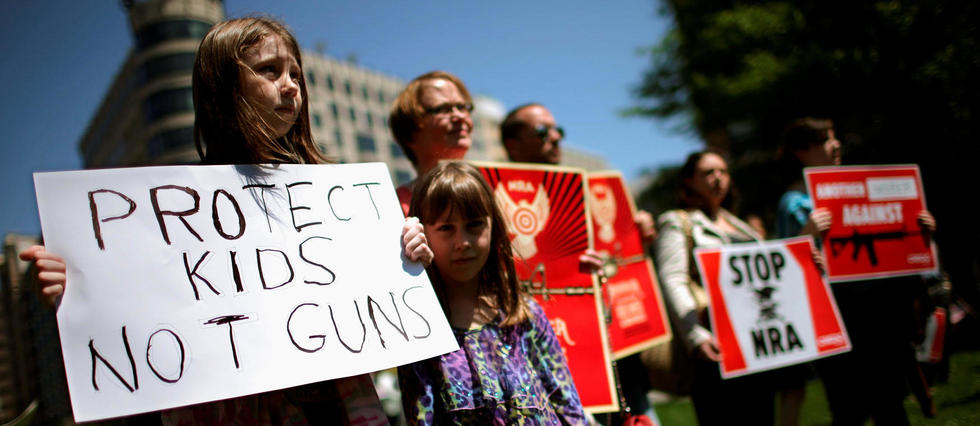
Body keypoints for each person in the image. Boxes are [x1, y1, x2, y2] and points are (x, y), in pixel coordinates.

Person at [20, 16, 433, 425]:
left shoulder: (339, 199)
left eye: (295, 73)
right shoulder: (176, 212)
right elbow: (137, 306)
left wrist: (405, 249)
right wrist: (76, 286)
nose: (290, 85)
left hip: (336, 405)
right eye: (269, 70)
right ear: (223, 85)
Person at [398, 161, 588, 425]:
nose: (462, 242)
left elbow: (569, 407)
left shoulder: (523, 313)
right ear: (423, 233)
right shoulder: (420, 333)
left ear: (494, 228)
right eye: (445, 228)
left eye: (474, 225)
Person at [501, 103, 657, 423]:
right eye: (542, 132)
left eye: (559, 131)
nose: (556, 138)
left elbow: (620, 259)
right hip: (543, 357)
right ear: (512, 145)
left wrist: (637, 234)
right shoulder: (491, 201)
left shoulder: (587, 193)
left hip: (614, 351)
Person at [777, 117, 936, 425]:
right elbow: (785, 265)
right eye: (826, 141)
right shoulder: (794, 202)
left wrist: (921, 233)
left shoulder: (861, 189)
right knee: (849, 407)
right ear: (801, 152)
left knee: (890, 403)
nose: (836, 145)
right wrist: (806, 234)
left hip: (880, 311)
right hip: (837, 317)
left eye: (835, 138)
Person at [653, 150, 775, 425]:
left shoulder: (742, 228)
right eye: (708, 173)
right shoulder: (678, 222)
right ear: (689, 181)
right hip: (715, 345)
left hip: (756, 344)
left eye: (723, 171)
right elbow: (672, 279)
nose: (718, 178)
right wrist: (696, 336)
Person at [389, 71, 474, 215]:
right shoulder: (392, 207)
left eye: (462, 107)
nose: (459, 116)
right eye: (442, 109)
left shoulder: (500, 189)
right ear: (410, 131)